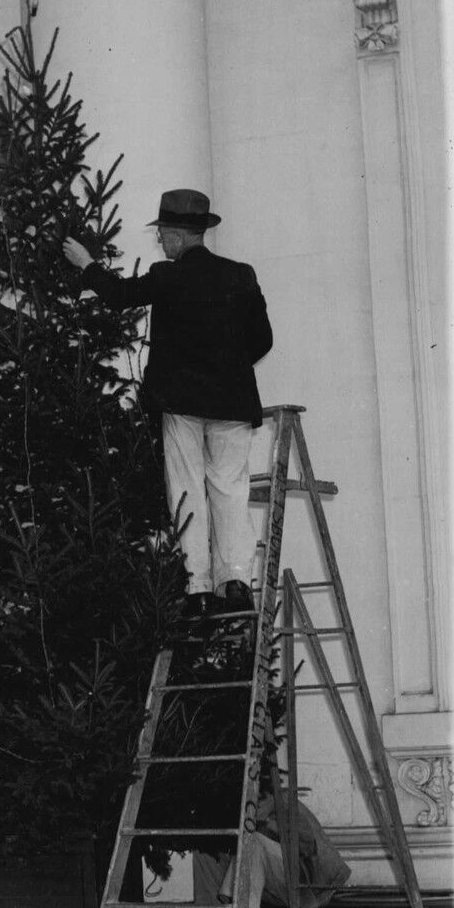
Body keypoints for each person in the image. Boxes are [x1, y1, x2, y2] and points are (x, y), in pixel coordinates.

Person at [62, 189, 273, 617]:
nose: (161, 242)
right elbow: (262, 339)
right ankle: (234, 581)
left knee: (187, 487)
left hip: (180, 403)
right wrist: (228, 370)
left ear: (177, 236)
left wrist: (87, 265)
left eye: (163, 234)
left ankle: (196, 585)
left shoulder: (165, 275)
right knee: (230, 488)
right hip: (232, 402)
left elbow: (119, 295)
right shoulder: (241, 275)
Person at [191, 768, 352, 908]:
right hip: (272, 880)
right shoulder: (241, 805)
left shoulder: (284, 803)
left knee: (253, 842)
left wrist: (269, 827)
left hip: (309, 883)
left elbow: (308, 849)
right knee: (206, 850)